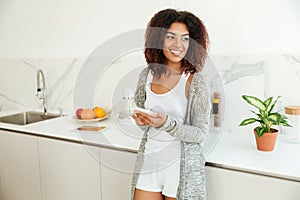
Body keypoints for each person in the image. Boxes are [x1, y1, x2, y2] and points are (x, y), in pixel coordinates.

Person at [130, 8, 211, 200]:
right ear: (158, 39)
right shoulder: (146, 75)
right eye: (171, 36)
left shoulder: (194, 81)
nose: (178, 44)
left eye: (185, 38)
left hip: (181, 168)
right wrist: (142, 121)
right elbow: (145, 123)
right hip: (150, 162)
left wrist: (166, 123)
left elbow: (200, 134)